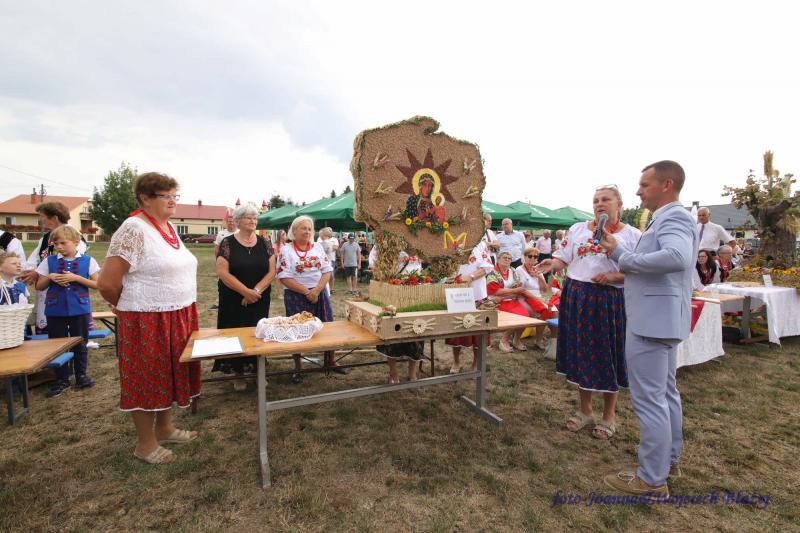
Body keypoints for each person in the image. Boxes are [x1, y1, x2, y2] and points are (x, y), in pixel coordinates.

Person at [600, 160, 696, 498]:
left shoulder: (673, 217)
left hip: (651, 322)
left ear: (666, 185)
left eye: (644, 184)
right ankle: (668, 462)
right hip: (660, 320)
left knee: (651, 401)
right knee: (666, 394)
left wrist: (623, 257)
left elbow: (676, 256)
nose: (638, 191)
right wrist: (620, 251)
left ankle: (652, 479)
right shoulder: (669, 218)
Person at [98, 172, 200, 465]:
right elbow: (107, 283)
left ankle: (165, 428)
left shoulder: (167, 226)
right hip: (147, 319)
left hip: (177, 313)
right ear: (144, 198)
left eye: (174, 195)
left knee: (167, 374)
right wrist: (127, 306)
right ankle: (145, 444)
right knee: (147, 378)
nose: (173, 201)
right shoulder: (133, 229)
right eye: (166, 196)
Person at [536, 185, 641, 440]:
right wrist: (553, 264)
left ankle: (609, 415)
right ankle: (585, 410)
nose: (599, 204)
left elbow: (639, 270)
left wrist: (614, 276)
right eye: (596, 200)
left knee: (607, 354)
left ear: (619, 205)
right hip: (577, 296)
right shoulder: (578, 229)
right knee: (581, 353)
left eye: (605, 199)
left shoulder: (632, 235)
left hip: (608, 299)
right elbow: (565, 258)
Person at [213, 205, 276, 391]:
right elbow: (223, 273)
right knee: (234, 331)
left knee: (258, 331)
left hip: (260, 297)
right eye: (248, 217)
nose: (253, 221)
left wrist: (254, 291)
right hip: (233, 298)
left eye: (255, 218)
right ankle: (238, 372)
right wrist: (245, 292)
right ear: (238, 221)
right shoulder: (227, 242)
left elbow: (272, 271)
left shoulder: (265, 242)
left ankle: (257, 370)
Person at [34, 225, 100, 397]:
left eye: (63, 243)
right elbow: (39, 286)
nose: (59, 247)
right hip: (55, 310)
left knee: (80, 343)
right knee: (57, 345)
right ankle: (61, 379)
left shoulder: (88, 260)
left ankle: (81, 376)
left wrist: (76, 278)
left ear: (76, 242)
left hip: (80, 309)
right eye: (56, 244)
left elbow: (97, 284)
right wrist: (50, 277)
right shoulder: (49, 261)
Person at [276, 216, 344, 383]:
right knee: (296, 330)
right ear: (294, 231)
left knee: (327, 325)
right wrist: (307, 292)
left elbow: (327, 270)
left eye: (309, 229)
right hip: (296, 295)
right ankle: (298, 367)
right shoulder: (286, 250)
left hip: (319, 293)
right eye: (303, 228)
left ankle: (331, 361)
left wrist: (317, 290)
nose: (307, 231)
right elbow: (283, 276)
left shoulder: (317, 247)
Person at [19, 201, 88, 333]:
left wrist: (38, 273)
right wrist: (30, 272)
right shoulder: (46, 238)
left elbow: (73, 261)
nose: (41, 220)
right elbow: (34, 259)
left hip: (67, 294)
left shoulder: (74, 236)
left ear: (55, 217)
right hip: (46, 290)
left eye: (42, 216)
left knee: (67, 332)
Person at [445, 239, 494, 373]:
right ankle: (456, 361)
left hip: (477, 293)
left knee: (479, 331)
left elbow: (487, 267)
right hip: (457, 293)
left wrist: (470, 277)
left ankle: (476, 364)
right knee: (456, 329)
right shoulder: (451, 241)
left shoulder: (480, 243)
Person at [486, 251, 529, 352]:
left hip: (510, 300)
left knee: (525, 316)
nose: (507, 260)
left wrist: (507, 294)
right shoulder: (492, 272)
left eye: (509, 258)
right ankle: (504, 340)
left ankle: (516, 339)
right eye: (504, 257)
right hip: (496, 302)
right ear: (498, 259)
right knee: (515, 318)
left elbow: (518, 289)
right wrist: (513, 291)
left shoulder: (513, 271)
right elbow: (495, 291)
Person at [516, 246, 553, 349]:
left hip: (538, 297)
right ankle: (537, 339)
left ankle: (547, 339)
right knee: (544, 310)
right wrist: (538, 299)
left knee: (553, 310)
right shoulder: (519, 270)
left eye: (535, 257)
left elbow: (545, 290)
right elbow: (521, 290)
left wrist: (539, 277)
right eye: (530, 256)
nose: (532, 259)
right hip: (524, 297)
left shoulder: (537, 269)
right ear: (524, 257)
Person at [317, 227, 339, 294]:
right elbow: (318, 249)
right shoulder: (320, 239)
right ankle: (324, 289)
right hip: (322, 260)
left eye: (331, 231)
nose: (330, 232)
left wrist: (324, 248)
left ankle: (330, 289)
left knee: (330, 275)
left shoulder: (333, 239)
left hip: (330, 260)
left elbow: (335, 248)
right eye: (329, 231)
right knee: (322, 275)